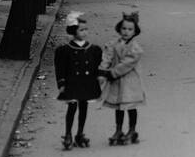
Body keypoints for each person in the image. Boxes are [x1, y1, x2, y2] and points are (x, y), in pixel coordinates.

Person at [54, 13, 103, 149]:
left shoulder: (93, 49)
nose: (85, 32)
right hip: (72, 83)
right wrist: (62, 83)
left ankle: (80, 133)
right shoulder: (65, 50)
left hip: (86, 82)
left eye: (86, 29)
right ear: (73, 31)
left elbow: (97, 65)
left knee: (84, 107)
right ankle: (68, 133)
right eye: (81, 30)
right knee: (72, 107)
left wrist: (100, 76)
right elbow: (60, 68)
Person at [101, 13, 146, 145]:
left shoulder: (135, 48)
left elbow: (127, 63)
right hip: (117, 82)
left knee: (131, 106)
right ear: (119, 29)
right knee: (118, 107)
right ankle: (118, 129)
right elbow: (107, 56)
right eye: (124, 29)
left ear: (135, 31)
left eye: (130, 29)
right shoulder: (114, 44)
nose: (126, 32)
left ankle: (132, 129)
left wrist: (112, 73)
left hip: (130, 81)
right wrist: (103, 69)